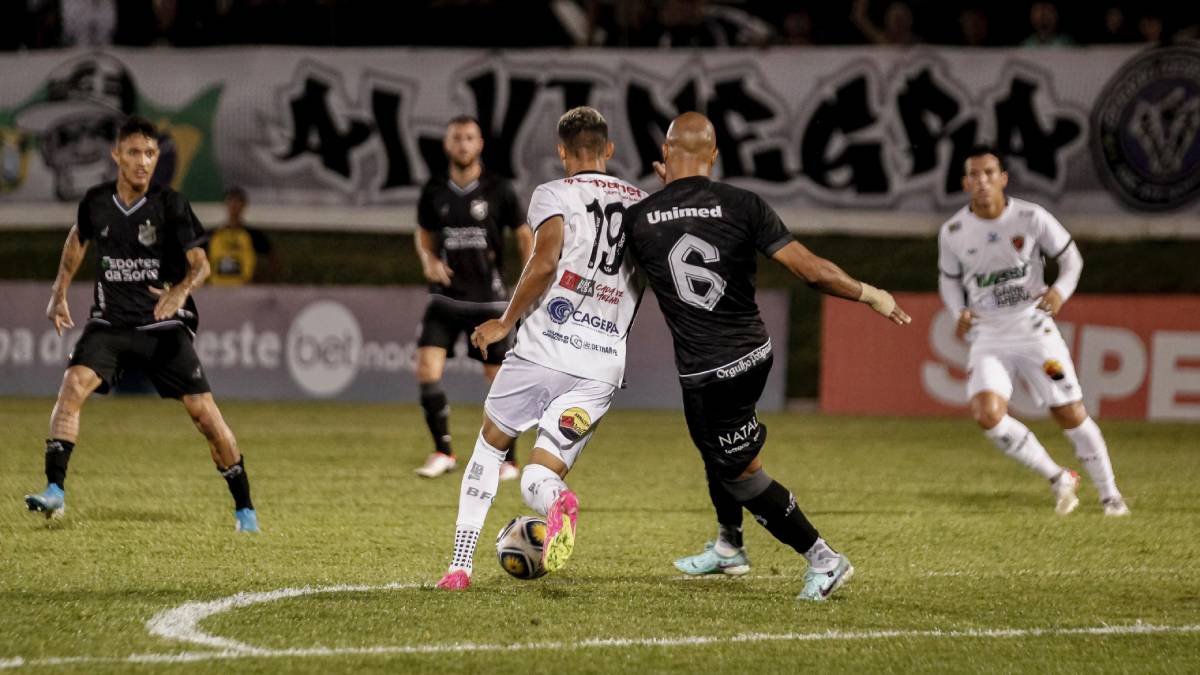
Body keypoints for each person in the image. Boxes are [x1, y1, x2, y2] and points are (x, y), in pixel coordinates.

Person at [624, 112, 911, 601]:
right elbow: (812, 272)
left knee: (739, 473)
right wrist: (871, 293)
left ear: (661, 163)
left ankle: (824, 558)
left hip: (712, 370)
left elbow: (616, 290)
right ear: (713, 156)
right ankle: (729, 545)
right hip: (749, 354)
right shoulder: (743, 204)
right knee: (716, 451)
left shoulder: (638, 218)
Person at [435, 106, 647, 590]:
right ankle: (556, 501)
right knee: (540, 471)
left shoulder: (553, 193)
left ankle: (460, 567)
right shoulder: (641, 204)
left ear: (562, 151)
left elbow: (545, 260)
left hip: (543, 350)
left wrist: (505, 321)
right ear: (609, 150)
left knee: (490, 446)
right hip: (601, 366)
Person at [23, 115, 259, 532]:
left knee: (204, 415)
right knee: (73, 386)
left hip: (161, 325)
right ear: (117, 155)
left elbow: (200, 265)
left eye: (150, 153)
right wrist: (59, 291)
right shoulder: (96, 201)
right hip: (110, 322)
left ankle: (245, 509)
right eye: (134, 152)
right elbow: (78, 238)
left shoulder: (171, 205)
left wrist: (181, 290)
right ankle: (54, 490)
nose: (143, 161)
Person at [937, 146, 1128, 517]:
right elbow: (948, 280)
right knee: (986, 413)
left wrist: (1059, 291)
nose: (982, 181)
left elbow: (1071, 258)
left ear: (1003, 178)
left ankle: (1110, 495)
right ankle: (1059, 477)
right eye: (974, 175)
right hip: (988, 337)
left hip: (1035, 331)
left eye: (990, 173)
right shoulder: (953, 231)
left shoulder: (1031, 217)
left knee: (1070, 413)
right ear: (965, 183)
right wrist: (956, 310)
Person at [412, 115, 533, 479]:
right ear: (447, 145)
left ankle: (508, 460)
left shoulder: (500, 189)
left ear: (479, 144)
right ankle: (443, 452)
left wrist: (528, 280)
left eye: (469, 138)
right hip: (446, 300)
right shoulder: (434, 189)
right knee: (425, 369)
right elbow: (424, 232)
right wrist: (429, 260)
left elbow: (524, 235)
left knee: (497, 381)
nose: (463, 144)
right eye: (456, 138)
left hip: (489, 302)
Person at [207, 186, 275, 286]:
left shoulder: (253, 234)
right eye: (231, 201)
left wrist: (262, 280)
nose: (234, 206)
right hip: (216, 290)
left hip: (244, 291)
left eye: (238, 202)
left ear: (244, 205)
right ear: (225, 204)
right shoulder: (213, 234)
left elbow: (274, 258)